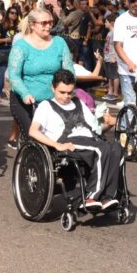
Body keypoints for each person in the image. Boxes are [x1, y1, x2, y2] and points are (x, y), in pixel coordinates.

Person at [29, 69, 121, 210]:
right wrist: (57, 145)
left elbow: (95, 130)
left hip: (90, 139)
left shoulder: (79, 103)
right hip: (68, 142)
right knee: (102, 149)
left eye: (70, 92)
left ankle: (108, 196)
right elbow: (33, 131)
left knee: (116, 148)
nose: (66, 96)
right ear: (52, 88)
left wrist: (109, 124)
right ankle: (91, 196)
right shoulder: (45, 106)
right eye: (62, 92)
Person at [8, 7, 75, 138]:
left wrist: (69, 88)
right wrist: (25, 94)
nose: (49, 26)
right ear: (32, 25)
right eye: (44, 23)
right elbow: (14, 75)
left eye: (51, 22)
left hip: (55, 99)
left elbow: (69, 69)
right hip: (27, 100)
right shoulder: (21, 46)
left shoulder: (59, 42)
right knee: (34, 137)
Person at [0, 7, 20, 99]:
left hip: (15, 50)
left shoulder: (18, 26)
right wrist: (7, 39)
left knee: (15, 72)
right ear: (8, 14)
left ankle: (13, 93)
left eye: (16, 13)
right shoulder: (1, 25)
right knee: (2, 72)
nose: (14, 15)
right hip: (4, 50)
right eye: (12, 13)